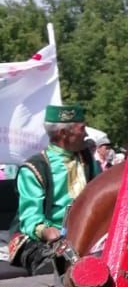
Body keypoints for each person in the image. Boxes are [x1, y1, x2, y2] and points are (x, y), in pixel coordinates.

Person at [8, 104, 100, 275]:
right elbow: (31, 219)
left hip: (85, 229)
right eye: (82, 129)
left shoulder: (88, 160)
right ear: (63, 134)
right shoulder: (34, 168)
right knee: (53, 265)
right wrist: (47, 231)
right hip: (44, 238)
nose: (86, 134)